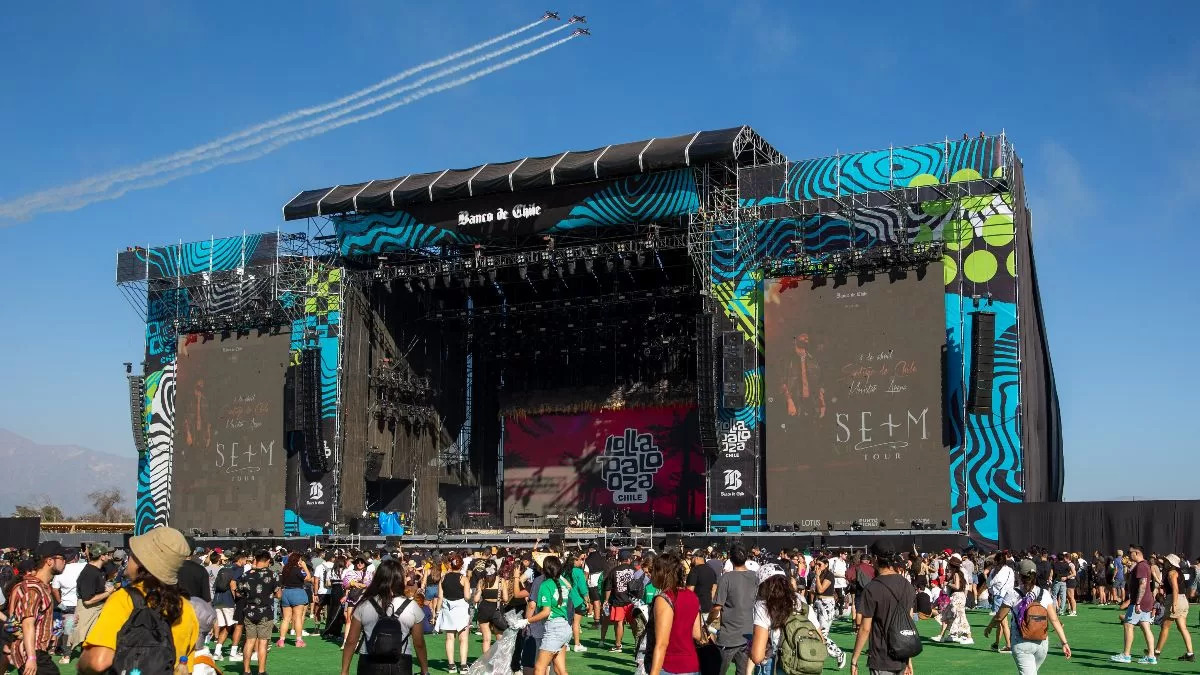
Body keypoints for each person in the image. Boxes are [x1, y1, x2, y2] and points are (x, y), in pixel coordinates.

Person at [78, 526, 199, 674]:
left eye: (132, 554)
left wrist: (82, 664)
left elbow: (97, 661)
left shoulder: (124, 599)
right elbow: (186, 667)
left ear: (140, 561)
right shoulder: (186, 607)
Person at [341, 559, 430, 675]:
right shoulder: (412, 607)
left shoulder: (364, 605)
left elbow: (351, 641)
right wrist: (424, 670)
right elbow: (419, 643)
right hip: (400, 662)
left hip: (369, 661)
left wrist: (344, 671)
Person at [983, 558, 1070, 673]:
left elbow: (999, 617)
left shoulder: (1012, 593)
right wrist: (1064, 643)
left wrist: (989, 628)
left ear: (1019, 575)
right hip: (1042, 643)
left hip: (1021, 642)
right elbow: (1054, 620)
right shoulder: (1044, 593)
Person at [850, 541, 916, 675]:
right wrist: (908, 661)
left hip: (881, 657)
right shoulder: (907, 585)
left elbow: (865, 628)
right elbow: (907, 624)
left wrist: (854, 659)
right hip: (901, 656)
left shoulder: (872, 588)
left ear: (875, 558)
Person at [8, 540, 67, 674]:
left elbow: (12, 620)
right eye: (62, 558)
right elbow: (27, 623)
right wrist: (32, 657)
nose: (65, 562)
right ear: (49, 561)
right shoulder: (34, 589)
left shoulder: (39, 587)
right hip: (33, 652)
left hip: (35, 651)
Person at [646, 550, 701, 675]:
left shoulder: (664, 599)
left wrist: (653, 673)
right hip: (691, 664)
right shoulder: (692, 596)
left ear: (661, 573)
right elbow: (697, 634)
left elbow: (661, 644)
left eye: (653, 570)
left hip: (670, 665)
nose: (651, 574)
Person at [708, 544, 757, 675]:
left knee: (717, 671)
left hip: (729, 637)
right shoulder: (755, 577)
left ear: (730, 559)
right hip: (748, 635)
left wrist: (707, 623)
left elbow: (717, 607)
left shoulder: (727, 578)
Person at [1112, 544, 1158, 664]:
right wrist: (1127, 568)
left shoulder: (1142, 566)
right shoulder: (1141, 565)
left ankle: (1126, 655)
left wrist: (1137, 603)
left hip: (1140, 601)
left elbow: (1143, 584)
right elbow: (1130, 581)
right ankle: (1151, 656)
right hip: (1146, 601)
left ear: (1137, 553)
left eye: (1130, 552)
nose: (1128, 554)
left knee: (1128, 625)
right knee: (1145, 627)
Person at [528, 555, 572, 675]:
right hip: (565, 627)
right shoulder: (562, 583)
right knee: (560, 669)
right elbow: (569, 586)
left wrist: (527, 621)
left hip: (554, 629)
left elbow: (546, 612)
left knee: (539, 668)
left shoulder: (545, 584)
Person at [239, 550, 281, 675]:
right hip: (266, 612)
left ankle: (246, 670)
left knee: (249, 641)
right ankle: (261, 671)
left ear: (256, 559)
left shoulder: (246, 575)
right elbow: (278, 595)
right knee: (263, 643)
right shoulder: (273, 575)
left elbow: (240, 592)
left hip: (249, 611)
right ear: (268, 561)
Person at [71, 544, 113, 657]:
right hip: (89, 609)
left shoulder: (101, 569)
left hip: (97, 609)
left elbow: (114, 570)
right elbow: (88, 601)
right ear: (102, 557)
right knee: (83, 638)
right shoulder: (89, 573)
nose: (109, 557)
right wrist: (108, 593)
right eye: (107, 554)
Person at [1154, 554, 1194, 661]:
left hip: (1175, 599)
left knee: (1165, 627)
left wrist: (1174, 604)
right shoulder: (1178, 572)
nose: (1165, 562)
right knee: (1182, 627)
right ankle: (1190, 653)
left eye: (1167, 561)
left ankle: (1156, 652)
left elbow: (1175, 589)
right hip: (1183, 600)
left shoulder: (1171, 573)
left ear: (1171, 563)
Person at [436, 554, 470, 673]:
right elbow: (467, 596)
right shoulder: (464, 579)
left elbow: (440, 597)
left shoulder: (443, 578)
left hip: (447, 609)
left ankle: (451, 665)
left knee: (450, 638)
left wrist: (437, 613)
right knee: (463, 638)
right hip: (461, 608)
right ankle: (463, 665)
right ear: (461, 566)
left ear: (451, 564)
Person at [51, 549, 85, 664]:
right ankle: (84, 654)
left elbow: (54, 588)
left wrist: (60, 601)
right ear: (75, 557)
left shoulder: (61, 571)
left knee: (68, 631)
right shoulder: (82, 566)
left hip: (67, 605)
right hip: (81, 604)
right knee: (84, 629)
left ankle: (66, 656)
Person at [932, 553, 974, 645]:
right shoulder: (960, 573)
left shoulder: (956, 574)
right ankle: (947, 635)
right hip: (959, 597)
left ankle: (969, 637)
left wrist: (947, 583)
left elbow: (957, 586)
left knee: (960, 617)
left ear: (952, 566)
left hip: (957, 597)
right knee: (949, 615)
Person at [212, 550, 246, 661]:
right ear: (240, 559)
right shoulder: (238, 569)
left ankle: (217, 652)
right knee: (238, 626)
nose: (246, 562)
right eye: (245, 559)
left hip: (218, 600)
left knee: (226, 627)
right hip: (229, 601)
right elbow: (233, 585)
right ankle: (233, 653)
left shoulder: (225, 568)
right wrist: (237, 597)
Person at [602, 549, 636, 652]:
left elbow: (608, 588)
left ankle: (618, 645)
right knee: (634, 623)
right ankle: (638, 644)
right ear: (629, 559)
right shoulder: (634, 570)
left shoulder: (614, 571)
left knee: (619, 623)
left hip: (618, 600)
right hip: (632, 601)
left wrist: (606, 600)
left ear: (620, 559)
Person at [472, 562, 507, 655]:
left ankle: (486, 662)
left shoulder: (482, 581)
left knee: (486, 639)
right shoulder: (501, 581)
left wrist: (480, 591)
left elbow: (475, 599)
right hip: (497, 608)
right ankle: (499, 662)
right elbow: (506, 598)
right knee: (499, 637)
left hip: (484, 609)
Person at [277, 552, 310, 648]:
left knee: (286, 618)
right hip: (297, 593)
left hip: (286, 592)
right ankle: (299, 640)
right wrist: (304, 567)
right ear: (297, 560)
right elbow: (308, 578)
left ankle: (281, 640)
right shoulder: (297, 570)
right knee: (298, 617)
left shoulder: (285, 569)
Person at [988, 551, 1015, 652]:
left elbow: (990, 583)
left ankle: (1009, 645)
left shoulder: (996, 571)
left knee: (1003, 621)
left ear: (996, 561)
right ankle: (996, 643)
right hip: (1009, 596)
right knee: (1001, 621)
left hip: (999, 596)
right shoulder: (1010, 570)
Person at [567, 552, 589, 652]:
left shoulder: (564, 571)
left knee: (567, 623)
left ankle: (565, 643)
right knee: (576, 623)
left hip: (566, 599)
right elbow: (582, 588)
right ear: (575, 560)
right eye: (580, 559)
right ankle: (577, 644)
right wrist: (587, 600)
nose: (582, 562)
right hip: (577, 600)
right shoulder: (578, 572)